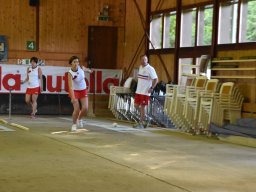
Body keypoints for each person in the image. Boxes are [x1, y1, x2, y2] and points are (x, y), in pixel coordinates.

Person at [68, 56, 93, 132]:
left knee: (85, 108)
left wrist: (89, 70)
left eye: (77, 62)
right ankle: (74, 124)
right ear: (71, 63)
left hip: (83, 90)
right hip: (74, 91)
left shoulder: (81, 67)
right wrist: (72, 97)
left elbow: (86, 70)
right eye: (74, 62)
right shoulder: (70, 73)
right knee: (77, 109)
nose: (76, 63)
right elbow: (70, 87)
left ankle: (79, 119)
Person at [133, 54, 158, 128]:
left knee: (142, 107)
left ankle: (141, 123)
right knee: (136, 105)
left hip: (145, 92)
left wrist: (152, 88)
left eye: (145, 59)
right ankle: (146, 118)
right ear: (140, 60)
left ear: (147, 60)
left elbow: (156, 79)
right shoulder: (140, 67)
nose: (144, 61)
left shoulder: (150, 69)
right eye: (142, 59)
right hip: (138, 91)